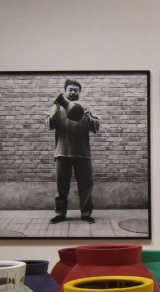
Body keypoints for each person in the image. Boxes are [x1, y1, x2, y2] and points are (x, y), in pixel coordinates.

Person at [45, 79, 100, 224]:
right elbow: (49, 125)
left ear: (80, 93)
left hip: (83, 154)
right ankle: (60, 214)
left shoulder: (86, 106)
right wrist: (55, 109)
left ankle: (86, 213)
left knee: (86, 186)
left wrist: (88, 117)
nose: (73, 92)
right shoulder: (57, 107)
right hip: (62, 154)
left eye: (76, 90)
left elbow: (96, 128)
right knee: (61, 187)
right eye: (70, 89)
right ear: (65, 91)